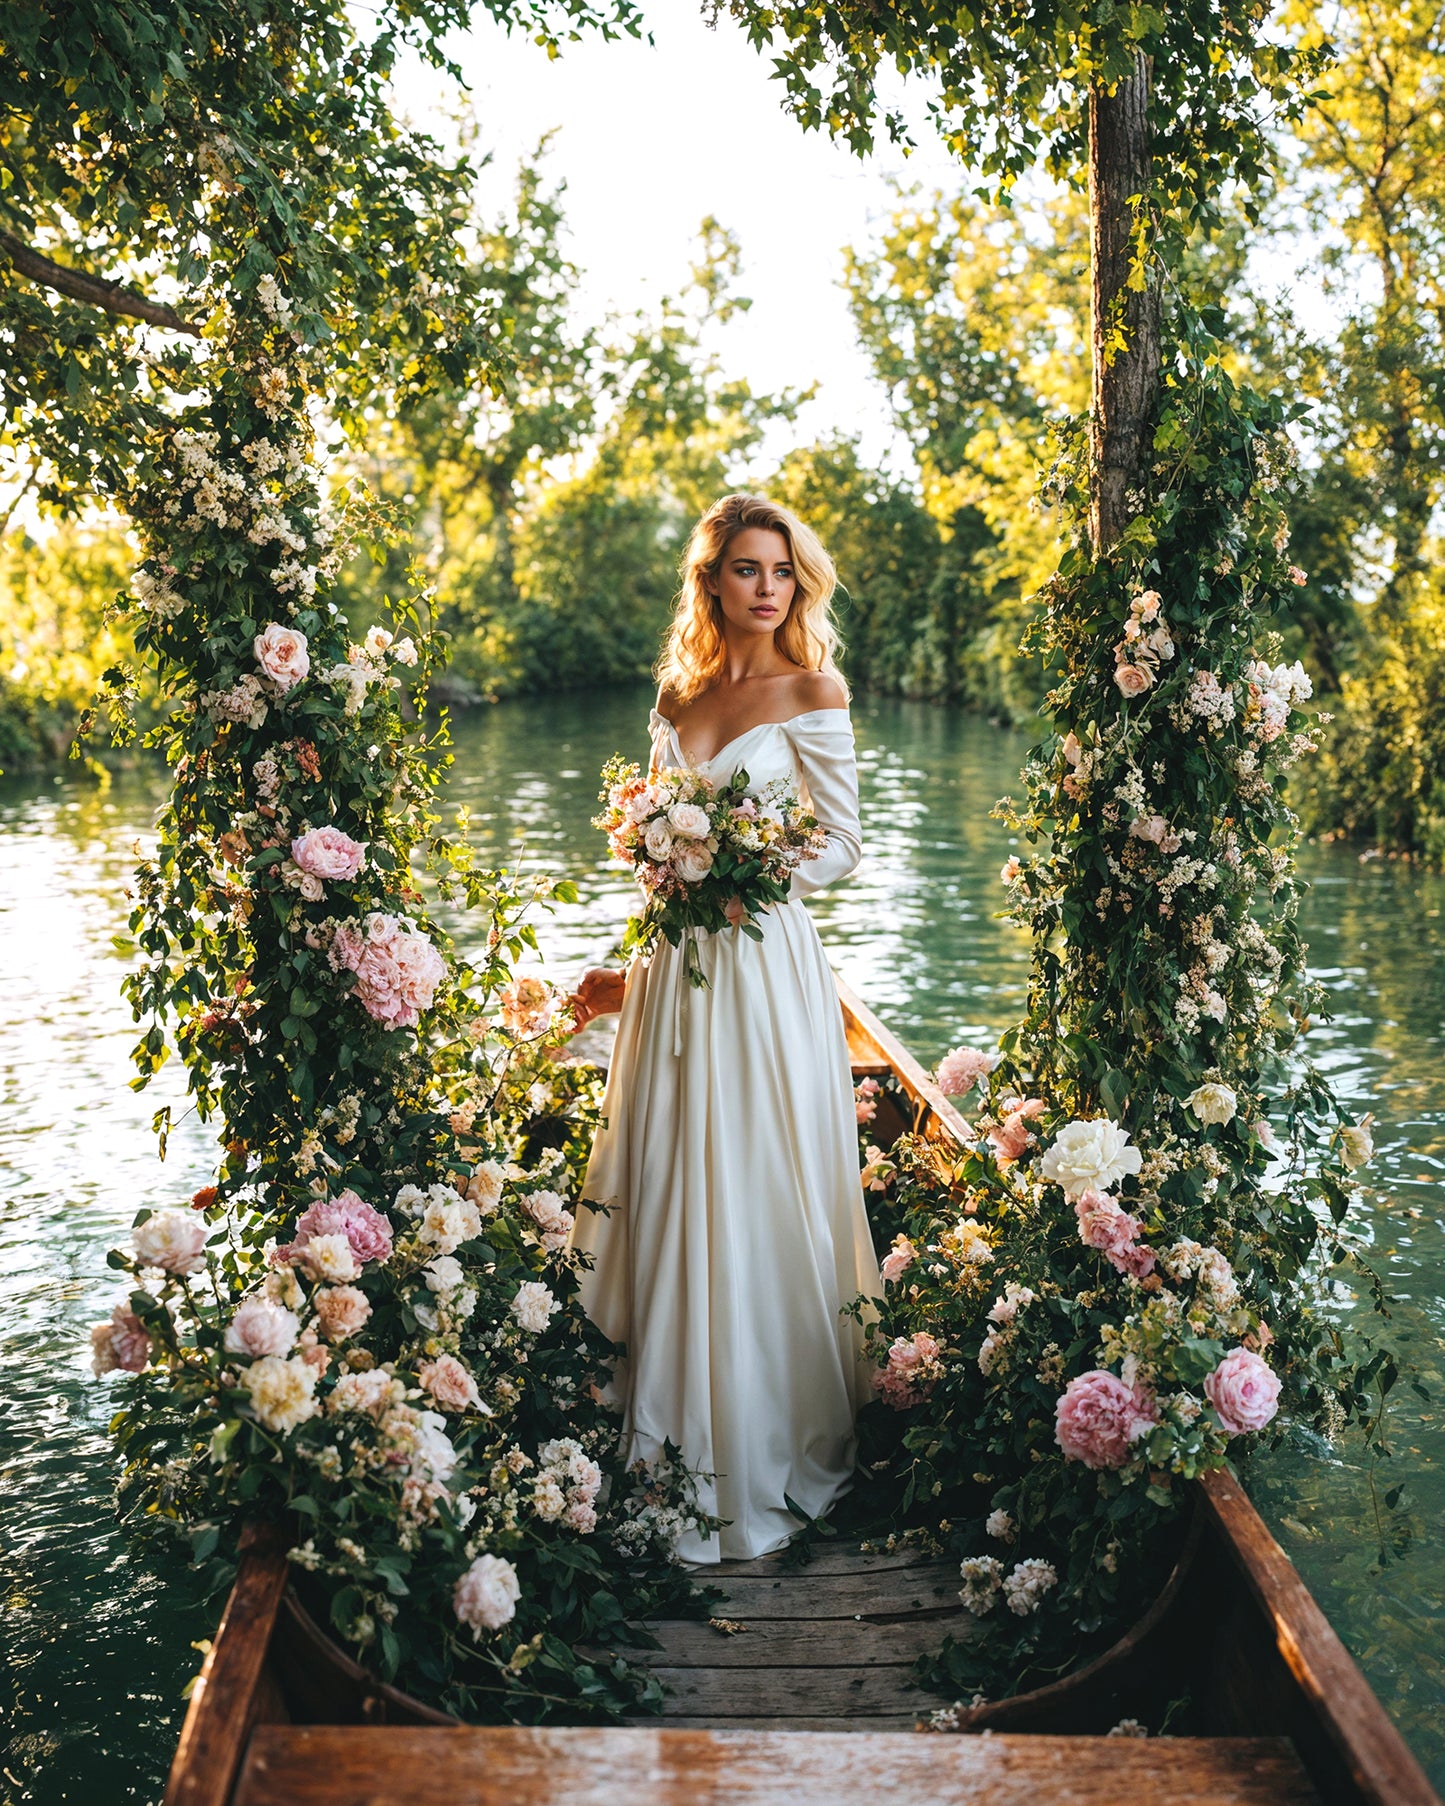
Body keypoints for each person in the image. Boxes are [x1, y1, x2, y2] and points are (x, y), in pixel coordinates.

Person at [565, 492, 883, 1564]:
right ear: (711, 581)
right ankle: (664, 1421)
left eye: (781, 570)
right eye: (746, 568)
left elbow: (843, 844)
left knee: (750, 1165)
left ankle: (762, 1432)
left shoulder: (812, 689)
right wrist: (662, 862)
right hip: (672, 962)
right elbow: (654, 835)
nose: (767, 587)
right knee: (668, 1164)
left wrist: (746, 863)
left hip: (759, 955)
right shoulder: (677, 694)